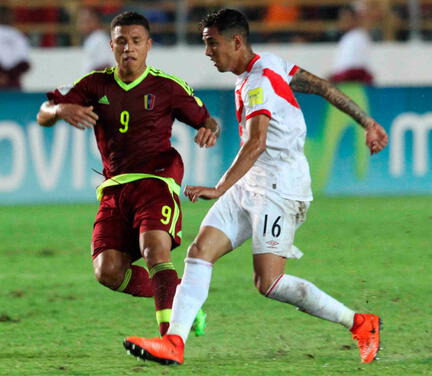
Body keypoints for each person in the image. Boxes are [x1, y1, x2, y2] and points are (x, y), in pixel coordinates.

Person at [124, 8, 388, 365]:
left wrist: (219, 187)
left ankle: (360, 323)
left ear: (236, 41)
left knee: (270, 283)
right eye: (205, 44)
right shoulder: (269, 65)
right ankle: (174, 343)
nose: (208, 53)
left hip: (281, 188)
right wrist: (368, 121)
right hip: (253, 181)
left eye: (212, 44)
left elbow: (257, 142)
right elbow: (323, 87)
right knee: (199, 252)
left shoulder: (259, 82)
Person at [36, 11, 218, 337]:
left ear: (148, 46)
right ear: (111, 44)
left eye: (136, 41)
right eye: (121, 41)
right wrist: (61, 109)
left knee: (154, 250)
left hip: (156, 180)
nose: (128, 48)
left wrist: (209, 128)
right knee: (107, 271)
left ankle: (170, 339)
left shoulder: (167, 87)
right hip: (114, 188)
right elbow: (43, 113)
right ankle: (182, 299)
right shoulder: (94, 84)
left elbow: (207, 119)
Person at [330, 2, 374, 84]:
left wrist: (335, 78)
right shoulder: (348, 37)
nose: (343, 21)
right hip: (346, 81)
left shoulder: (357, 37)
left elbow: (356, 70)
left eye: (346, 18)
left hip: (352, 85)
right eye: (341, 18)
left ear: (354, 19)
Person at [77, 8, 114, 73]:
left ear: (95, 21)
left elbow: (105, 65)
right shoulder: (92, 38)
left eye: (85, 21)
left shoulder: (99, 38)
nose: (81, 24)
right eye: (81, 21)